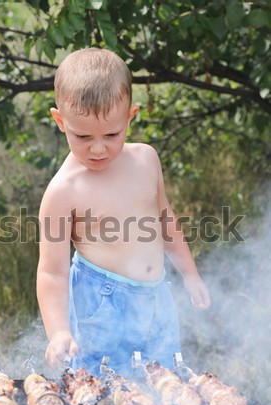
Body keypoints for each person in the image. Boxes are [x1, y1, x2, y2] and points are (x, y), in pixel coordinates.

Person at [37, 47, 211, 377]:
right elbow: (52, 273)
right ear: (60, 121)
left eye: (112, 134)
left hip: (157, 301)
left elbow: (166, 221)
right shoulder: (63, 192)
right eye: (83, 136)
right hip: (103, 310)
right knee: (106, 390)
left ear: (130, 117)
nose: (99, 148)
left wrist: (189, 273)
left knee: (164, 383)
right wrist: (58, 331)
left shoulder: (146, 160)